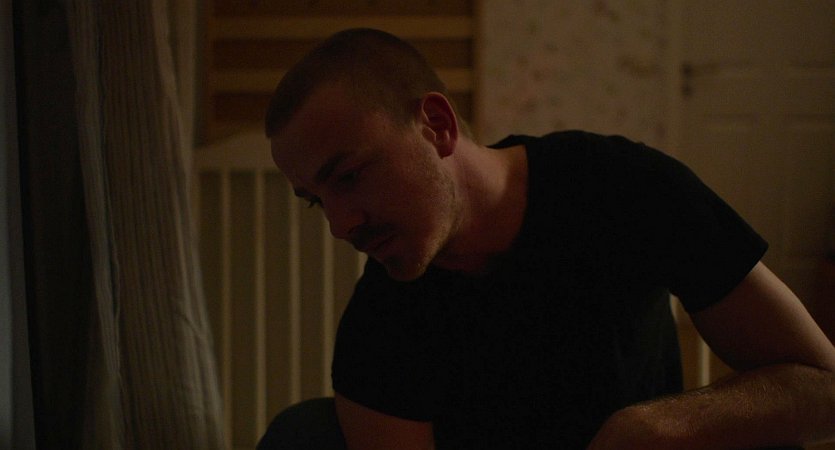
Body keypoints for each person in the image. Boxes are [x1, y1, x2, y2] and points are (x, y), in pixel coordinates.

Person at [258, 28, 835, 450]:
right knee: (303, 434)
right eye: (317, 200)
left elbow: (822, 387)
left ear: (436, 125)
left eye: (349, 176)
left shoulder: (621, 187)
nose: (340, 225)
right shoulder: (380, 325)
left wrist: (656, 429)